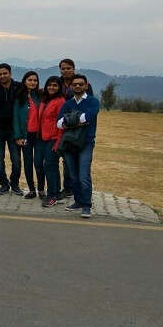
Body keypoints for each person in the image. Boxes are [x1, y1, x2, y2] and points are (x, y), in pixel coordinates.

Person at [57, 73, 100, 218]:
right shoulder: (67, 103)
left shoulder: (93, 102)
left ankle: (86, 205)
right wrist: (77, 119)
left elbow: (88, 117)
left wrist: (69, 119)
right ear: (71, 86)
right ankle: (78, 201)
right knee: (73, 176)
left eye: (80, 84)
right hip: (69, 143)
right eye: (75, 84)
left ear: (86, 85)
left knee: (83, 175)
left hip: (86, 143)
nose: (77, 86)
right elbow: (59, 124)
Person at [58, 58, 93, 197]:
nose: (66, 70)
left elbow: (88, 105)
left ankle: (72, 189)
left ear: (73, 68)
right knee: (65, 158)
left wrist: (75, 120)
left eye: (68, 68)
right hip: (61, 124)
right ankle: (67, 188)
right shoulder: (58, 83)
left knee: (75, 161)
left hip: (78, 128)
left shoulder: (83, 84)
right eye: (63, 68)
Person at [0, 63, 22, 195]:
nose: (2, 76)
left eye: (4, 73)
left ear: (10, 73)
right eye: (0, 74)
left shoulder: (18, 87)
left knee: (16, 160)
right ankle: (4, 185)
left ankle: (15, 184)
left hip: (14, 130)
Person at [12, 71, 43, 199]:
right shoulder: (19, 97)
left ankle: (41, 189)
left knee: (39, 162)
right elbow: (16, 117)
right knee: (28, 162)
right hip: (25, 135)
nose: (32, 82)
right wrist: (18, 136)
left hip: (39, 135)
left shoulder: (40, 96)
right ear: (25, 81)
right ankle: (32, 190)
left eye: (35, 80)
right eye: (30, 80)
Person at [38, 76, 66, 208]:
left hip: (54, 138)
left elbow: (62, 124)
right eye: (49, 85)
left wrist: (58, 142)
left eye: (55, 85)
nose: (51, 87)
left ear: (59, 87)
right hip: (44, 138)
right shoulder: (45, 99)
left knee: (49, 166)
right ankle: (58, 193)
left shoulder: (60, 101)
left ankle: (52, 196)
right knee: (51, 166)